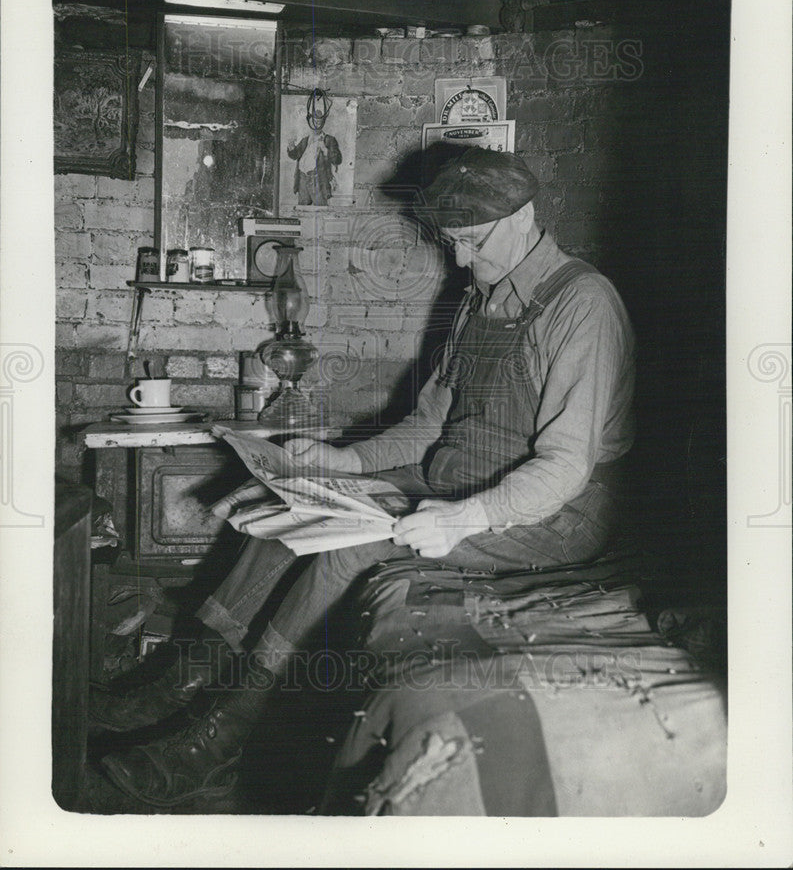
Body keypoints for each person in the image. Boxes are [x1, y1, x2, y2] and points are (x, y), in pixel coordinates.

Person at [97, 148, 635, 808]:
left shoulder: (581, 304)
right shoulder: (476, 300)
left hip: (554, 512)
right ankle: (177, 687)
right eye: (452, 243)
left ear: (523, 218)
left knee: (348, 550)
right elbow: (428, 422)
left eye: (470, 242)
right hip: (458, 478)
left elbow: (563, 468)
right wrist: (343, 464)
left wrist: (460, 519)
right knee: (285, 518)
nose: (461, 260)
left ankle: (210, 743)